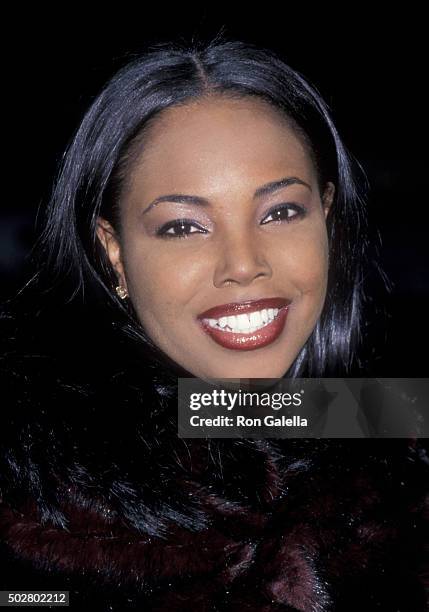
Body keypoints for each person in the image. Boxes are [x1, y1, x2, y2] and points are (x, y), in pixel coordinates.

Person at [0, 37, 427, 610]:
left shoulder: (379, 423)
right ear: (114, 251)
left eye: (280, 212)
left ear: (326, 218)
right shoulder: (31, 502)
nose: (245, 264)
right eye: (183, 227)